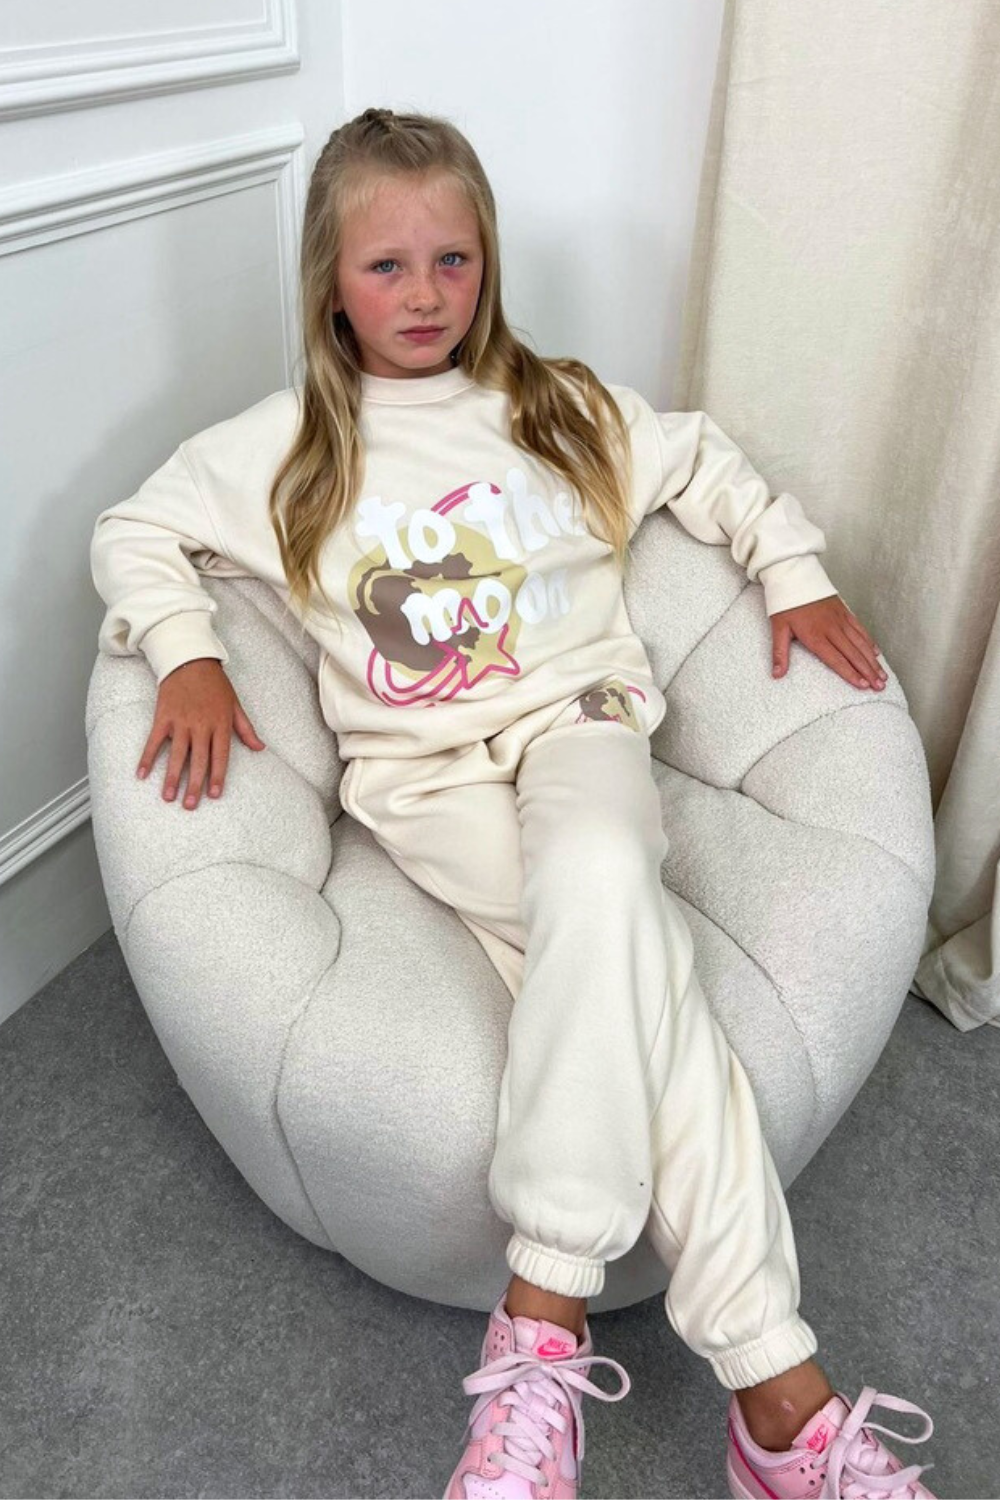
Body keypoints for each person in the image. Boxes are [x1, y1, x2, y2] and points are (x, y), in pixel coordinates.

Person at [89, 106, 938, 1500]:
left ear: (488, 264)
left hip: (579, 725)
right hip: (425, 779)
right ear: (330, 284)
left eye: (454, 260)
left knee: (602, 865)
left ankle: (541, 1317)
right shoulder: (293, 445)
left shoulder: (559, 407)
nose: (426, 295)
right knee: (645, 972)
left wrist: (794, 571)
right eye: (387, 266)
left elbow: (705, 461)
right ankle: (782, 1407)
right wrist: (185, 653)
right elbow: (135, 529)